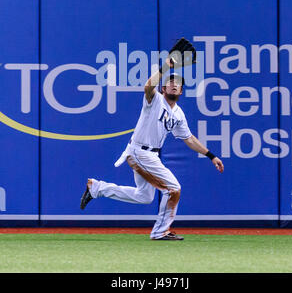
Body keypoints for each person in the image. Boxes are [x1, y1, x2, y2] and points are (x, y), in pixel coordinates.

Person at [80, 57, 224, 240]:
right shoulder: (155, 100)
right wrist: (166, 67)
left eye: (178, 84)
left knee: (144, 196)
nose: (174, 85)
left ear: (181, 91)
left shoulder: (178, 113)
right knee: (173, 188)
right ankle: (160, 232)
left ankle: (97, 188)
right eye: (170, 82)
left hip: (150, 155)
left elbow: (189, 138)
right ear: (163, 88)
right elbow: (148, 86)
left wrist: (211, 156)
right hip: (139, 152)